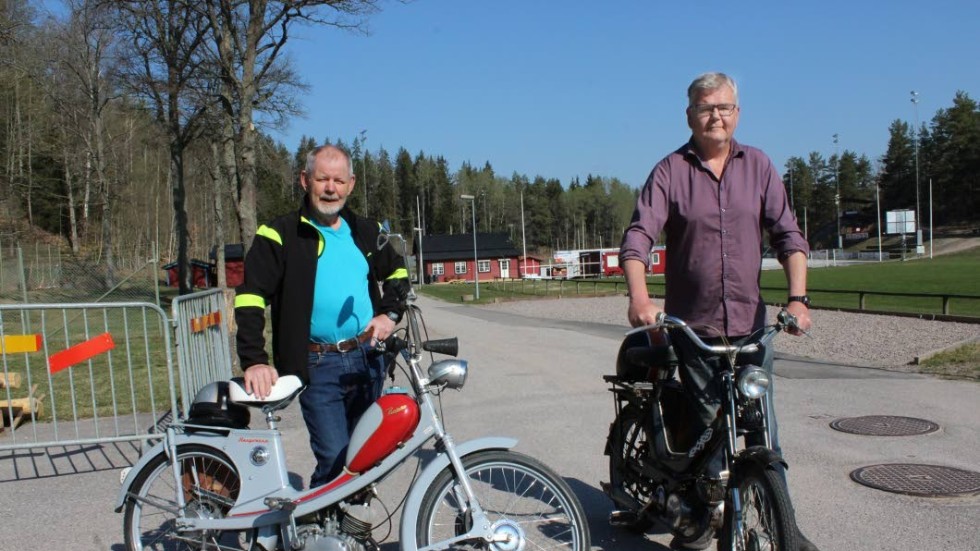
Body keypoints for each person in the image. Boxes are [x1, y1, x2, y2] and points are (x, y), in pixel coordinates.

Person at [619, 72, 818, 551]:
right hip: (696, 329)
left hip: (750, 328)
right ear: (690, 115)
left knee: (762, 428)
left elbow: (788, 236)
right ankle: (700, 515)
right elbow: (639, 236)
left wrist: (798, 299)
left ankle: (778, 523)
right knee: (712, 426)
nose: (716, 116)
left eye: (725, 107)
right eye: (707, 107)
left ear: (738, 113)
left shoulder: (760, 167)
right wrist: (640, 298)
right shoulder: (670, 171)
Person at [235, 144, 409, 488]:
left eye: (339, 181)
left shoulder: (365, 230)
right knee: (334, 458)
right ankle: (318, 528)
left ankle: (346, 534)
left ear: (351, 184)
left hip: (367, 358)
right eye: (322, 179)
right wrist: (254, 359)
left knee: (366, 457)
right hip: (317, 365)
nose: (331, 188)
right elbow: (251, 297)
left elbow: (398, 273)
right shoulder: (279, 234)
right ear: (305, 180)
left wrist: (389, 314)